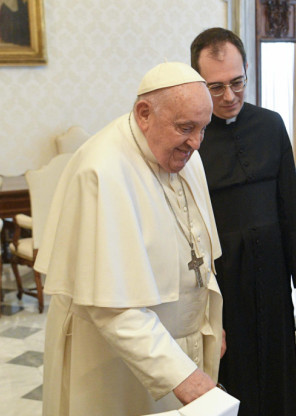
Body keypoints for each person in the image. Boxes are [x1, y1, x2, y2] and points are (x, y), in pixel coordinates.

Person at [36, 62, 225, 415]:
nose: (197, 143)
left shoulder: (183, 152)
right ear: (144, 114)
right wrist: (181, 375)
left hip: (180, 346)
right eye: (186, 127)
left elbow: (199, 253)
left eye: (203, 129)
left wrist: (209, 323)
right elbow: (113, 306)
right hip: (116, 361)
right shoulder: (102, 170)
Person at [189, 28, 296, 416]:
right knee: (231, 376)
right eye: (216, 87)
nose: (229, 96)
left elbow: (293, 212)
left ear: (248, 70)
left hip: (272, 279)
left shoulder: (271, 125)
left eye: (237, 82)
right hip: (223, 285)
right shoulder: (192, 139)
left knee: (277, 372)